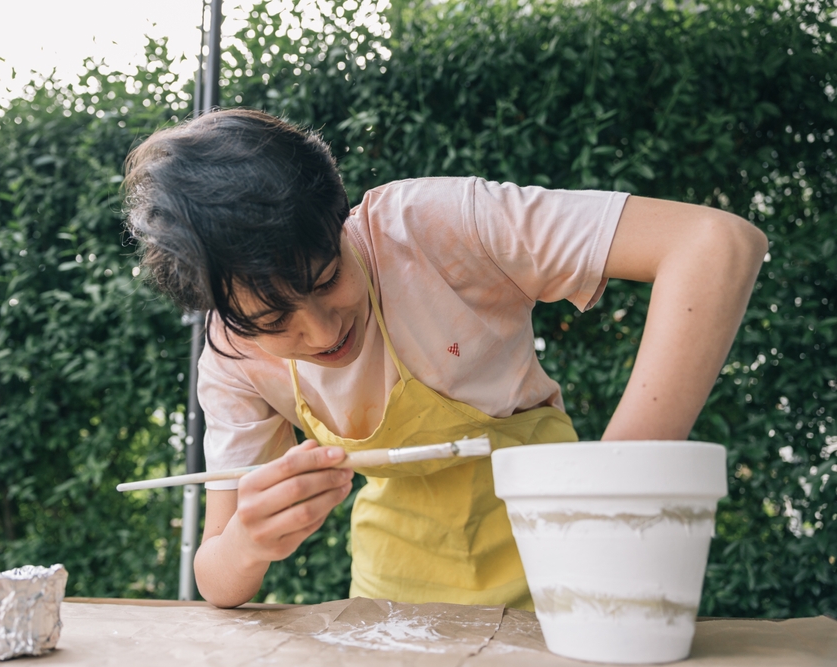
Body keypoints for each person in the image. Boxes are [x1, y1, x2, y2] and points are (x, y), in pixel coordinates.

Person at [123, 108, 767, 609]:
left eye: (326, 279)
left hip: (567, 547)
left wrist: (618, 477)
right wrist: (248, 541)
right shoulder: (230, 355)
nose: (320, 331)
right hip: (393, 593)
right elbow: (217, 579)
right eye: (273, 321)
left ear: (340, 221)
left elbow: (714, 243)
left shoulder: (433, 226)